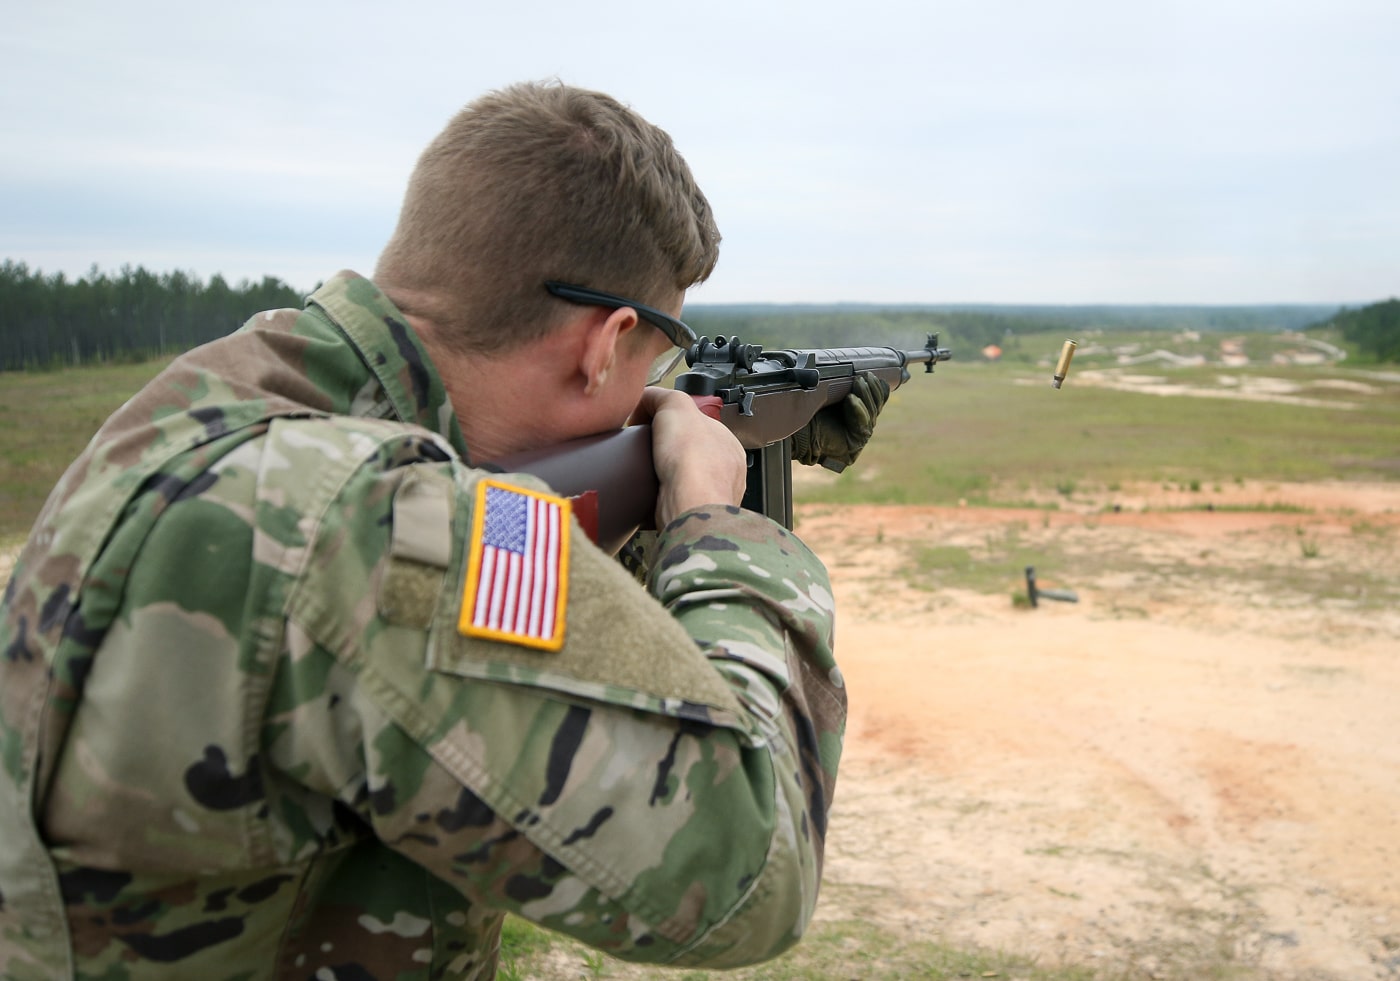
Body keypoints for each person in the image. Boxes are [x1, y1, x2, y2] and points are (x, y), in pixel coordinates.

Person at [0, 81, 879, 980]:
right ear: (605, 343)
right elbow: (746, 877)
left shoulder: (217, 396)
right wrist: (712, 521)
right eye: (655, 361)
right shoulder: (377, 526)